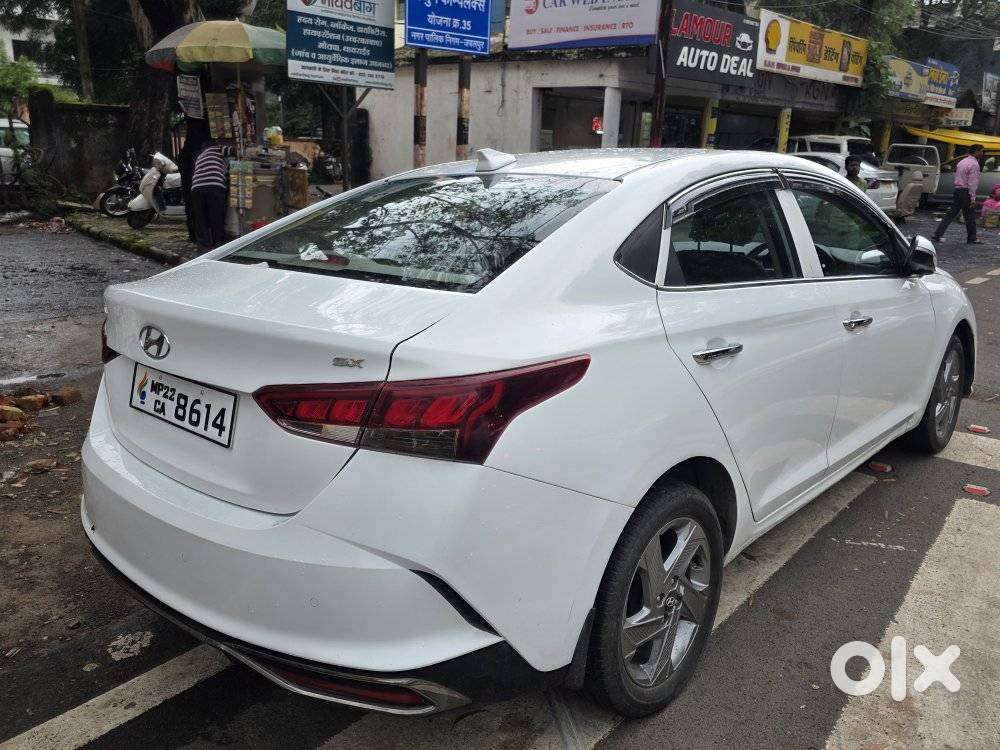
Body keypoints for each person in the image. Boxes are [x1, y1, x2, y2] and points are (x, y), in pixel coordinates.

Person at [932, 144, 984, 245]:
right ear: (976, 151)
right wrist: (973, 198)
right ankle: (972, 238)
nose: (982, 153)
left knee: (952, 214)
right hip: (966, 192)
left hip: (958, 190)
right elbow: (972, 183)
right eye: (981, 151)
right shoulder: (974, 164)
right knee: (970, 216)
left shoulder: (962, 162)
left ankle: (938, 234)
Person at [189, 139, 235, 250]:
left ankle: (203, 245)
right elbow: (234, 151)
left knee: (201, 218)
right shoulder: (217, 149)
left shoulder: (200, 156)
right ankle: (219, 245)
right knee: (216, 216)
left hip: (196, 187)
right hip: (213, 185)